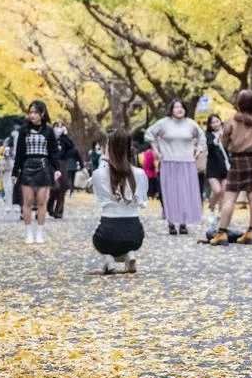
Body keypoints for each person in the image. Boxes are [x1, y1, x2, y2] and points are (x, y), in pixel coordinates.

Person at [210, 91, 252, 246]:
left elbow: (223, 141)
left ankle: (222, 233)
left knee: (230, 198)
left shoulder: (232, 121)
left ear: (239, 104)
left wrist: (231, 146)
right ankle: (251, 232)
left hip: (238, 160)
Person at [144, 101, 207, 236]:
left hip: (187, 162)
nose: (179, 109)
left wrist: (199, 150)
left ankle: (183, 223)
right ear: (171, 109)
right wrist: (156, 150)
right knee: (170, 192)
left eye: (182, 107)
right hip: (168, 162)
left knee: (184, 193)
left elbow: (202, 137)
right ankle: (171, 222)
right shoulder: (164, 123)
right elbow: (149, 134)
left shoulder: (191, 124)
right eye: (176, 107)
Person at [91, 129, 148, 274]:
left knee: (98, 240)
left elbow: (99, 198)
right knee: (125, 241)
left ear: (108, 149)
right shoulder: (140, 174)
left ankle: (108, 259)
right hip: (135, 235)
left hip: (107, 234)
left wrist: (104, 161)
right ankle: (130, 254)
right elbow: (143, 202)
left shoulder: (98, 174)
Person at [14, 101, 61, 244]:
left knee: (42, 202)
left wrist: (57, 169)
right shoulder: (23, 130)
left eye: (35, 112)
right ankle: (28, 233)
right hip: (27, 166)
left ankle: (40, 232)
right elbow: (19, 153)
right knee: (27, 202)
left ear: (42, 113)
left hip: (43, 166)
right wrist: (15, 172)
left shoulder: (48, 130)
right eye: (30, 112)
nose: (32, 115)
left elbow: (53, 151)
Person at [48, 123, 80, 218]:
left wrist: (65, 135)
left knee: (63, 187)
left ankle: (59, 211)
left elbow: (71, 146)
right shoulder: (50, 137)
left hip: (62, 163)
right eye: (57, 126)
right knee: (54, 187)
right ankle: (49, 206)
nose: (58, 128)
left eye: (60, 126)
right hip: (52, 164)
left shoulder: (64, 139)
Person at [203, 114, 228, 232]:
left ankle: (220, 216)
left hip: (225, 167)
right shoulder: (208, 135)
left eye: (217, 121)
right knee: (217, 191)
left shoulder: (227, 133)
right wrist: (217, 139)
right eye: (212, 122)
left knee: (223, 193)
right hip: (212, 168)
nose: (215, 124)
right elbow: (210, 145)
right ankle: (211, 209)